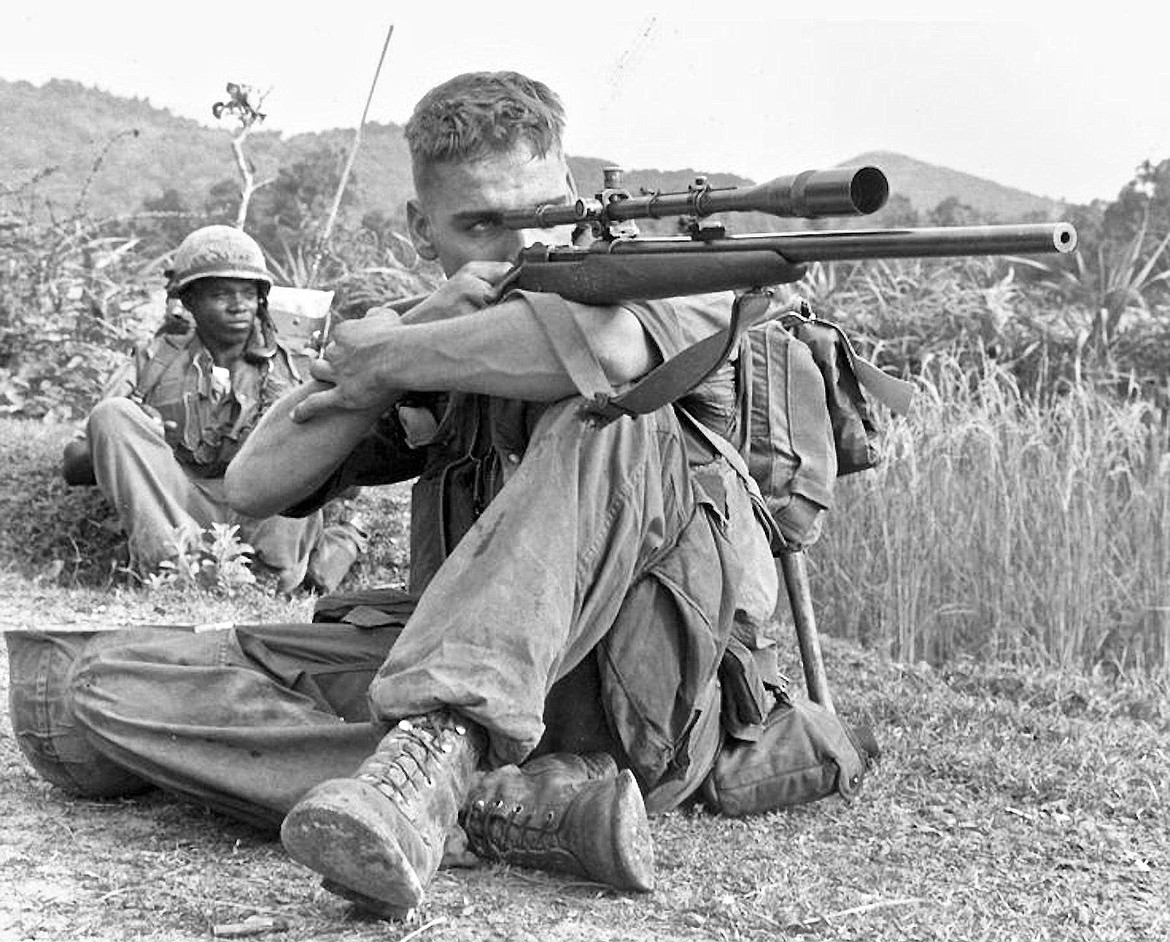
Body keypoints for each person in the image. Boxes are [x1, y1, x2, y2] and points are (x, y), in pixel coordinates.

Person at [6, 71, 818, 919]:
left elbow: (604, 358)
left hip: (634, 707)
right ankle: (493, 803)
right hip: (477, 702)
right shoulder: (428, 329)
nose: (514, 249)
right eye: (478, 226)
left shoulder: (675, 282)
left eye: (538, 215)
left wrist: (393, 356)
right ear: (421, 229)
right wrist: (414, 331)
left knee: (607, 414)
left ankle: (437, 755)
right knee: (100, 683)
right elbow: (253, 483)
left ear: (577, 199)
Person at [62, 225, 366, 594]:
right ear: (188, 301)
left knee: (307, 418)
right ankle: (175, 572)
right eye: (221, 294)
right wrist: (146, 434)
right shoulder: (153, 361)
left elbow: (348, 480)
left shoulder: (295, 368)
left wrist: (297, 442)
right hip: (177, 508)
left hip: (263, 514)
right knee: (113, 413)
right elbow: (75, 463)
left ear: (262, 300)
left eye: (248, 294)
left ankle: (263, 578)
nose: (238, 305)